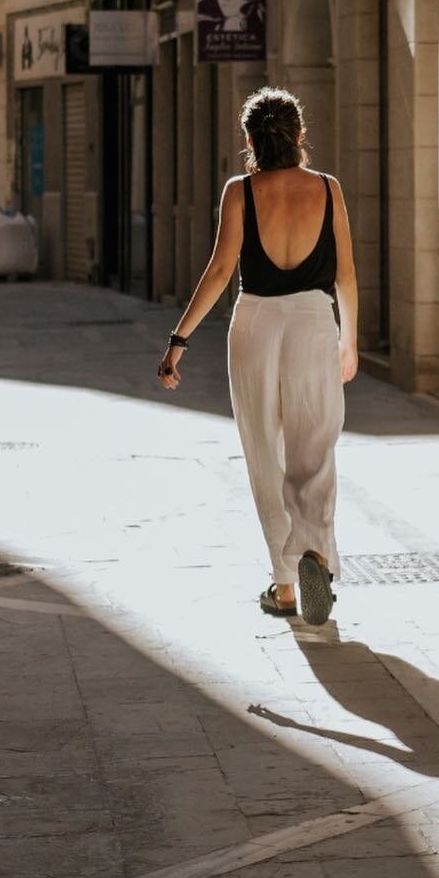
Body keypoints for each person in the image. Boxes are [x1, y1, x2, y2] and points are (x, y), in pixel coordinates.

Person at [157, 86, 359, 625]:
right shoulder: (328, 188)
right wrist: (350, 341)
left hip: (255, 324)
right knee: (314, 446)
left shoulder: (239, 191)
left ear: (249, 140)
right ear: (299, 136)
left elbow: (221, 271)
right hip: (315, 323)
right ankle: (315, 550)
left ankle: (287, 585)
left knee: (264, 453)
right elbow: (345, 275)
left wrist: (179, 341)